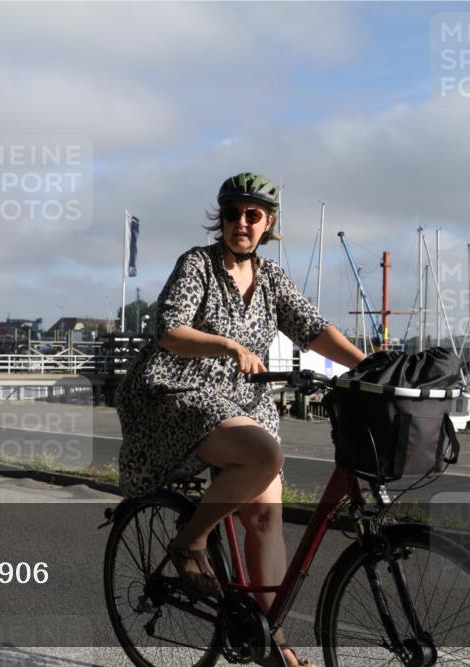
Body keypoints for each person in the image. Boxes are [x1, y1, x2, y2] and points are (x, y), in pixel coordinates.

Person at [115, 172, 366, 667]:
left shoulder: (272, 278)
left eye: (253, 215)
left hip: (242, 400)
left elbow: (312, 330)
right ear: (221, 219)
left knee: (267, 518)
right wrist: (228, 345)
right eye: (232, 213)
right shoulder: (198, 265)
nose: (241, 223)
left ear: (268, 222)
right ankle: (191, 541)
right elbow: (170, 330)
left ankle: (269, 643)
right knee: (265, 454)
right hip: (179, 391)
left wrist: (368, 366)